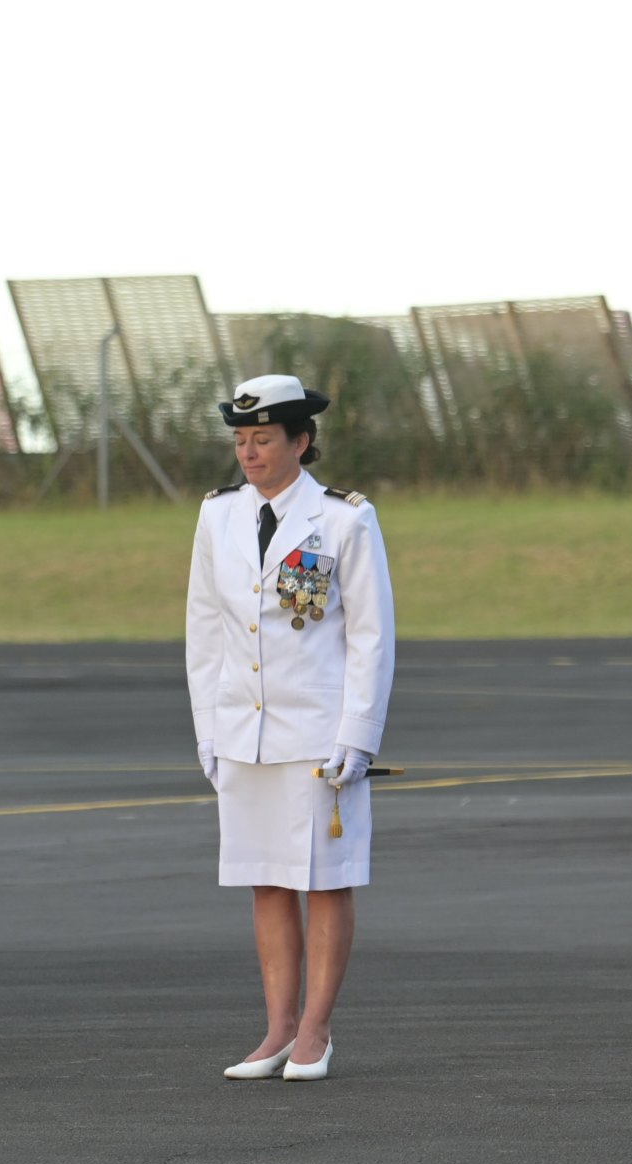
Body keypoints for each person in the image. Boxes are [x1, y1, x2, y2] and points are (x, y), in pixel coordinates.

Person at [186, 374, 395, 1081]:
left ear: (301, 442)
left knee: (325, 879)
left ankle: (315, 1029)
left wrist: (358, 735)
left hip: (317, 731)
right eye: (240, 440)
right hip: (243, 730)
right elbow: (205, 629)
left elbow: (371, 634)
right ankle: (276, 1028)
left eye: (263, 439)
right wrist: (207, 728)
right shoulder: (217, 516)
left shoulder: (343, 520)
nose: (249, 453)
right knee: (265, 879)